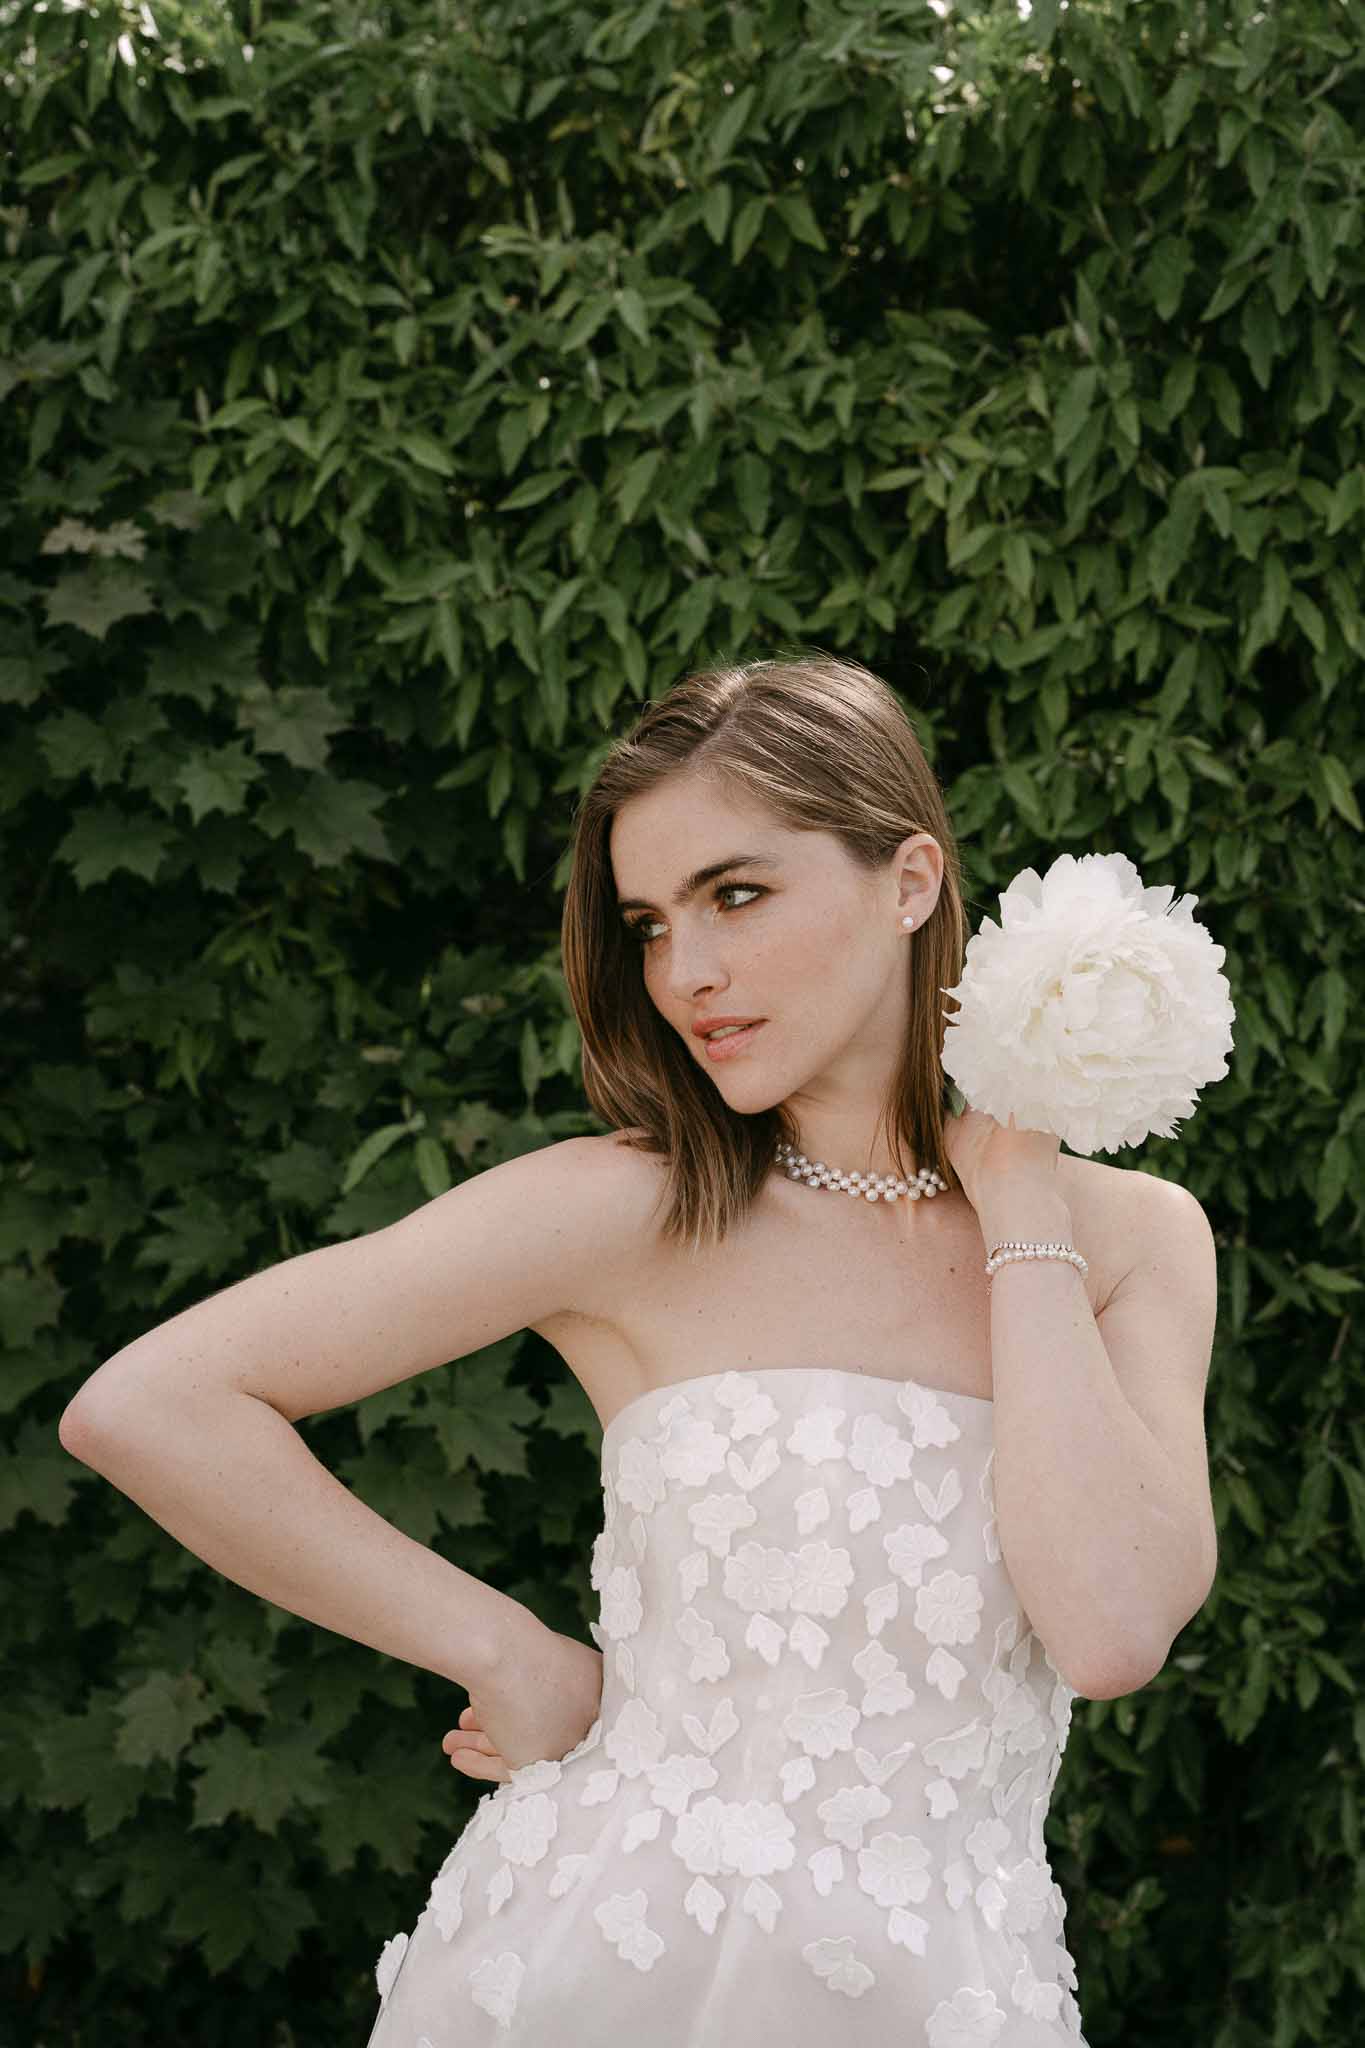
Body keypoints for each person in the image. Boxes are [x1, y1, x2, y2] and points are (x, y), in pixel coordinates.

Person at [59, 652, 1219, 2047]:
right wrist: (507, 1652)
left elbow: (1106, 1629)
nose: (688, 974)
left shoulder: (1137, 1236)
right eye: (649, 923)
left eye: (735, 896)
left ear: (909, 881)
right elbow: (153, 1403)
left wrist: (1023, 1203)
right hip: (609, 1966)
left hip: (954, 1993)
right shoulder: (627, 1205)